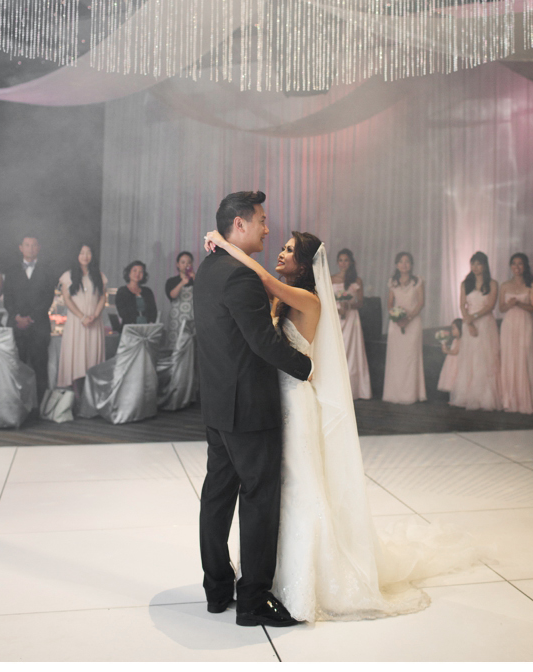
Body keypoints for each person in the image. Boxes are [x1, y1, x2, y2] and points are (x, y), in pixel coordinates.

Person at [205, 222, 465, 622]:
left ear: (307, 265)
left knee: (298, 487)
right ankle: (268, 577)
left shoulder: (308, 300)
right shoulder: (283, 297)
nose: (281, 253)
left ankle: (308, 577)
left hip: (294, 400)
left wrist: (223, 243)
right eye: (283, 248)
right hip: (271, 399)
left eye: (290, 251)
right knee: (276, 491)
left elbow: (258, 277)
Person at [191, 191, 312, 629]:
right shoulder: (239, 277)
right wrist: (307, 365)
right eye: (261, 220)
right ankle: (254, 600)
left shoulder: (209, 268)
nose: (267, 227)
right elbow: (263, 342)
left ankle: (217, 589)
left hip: (218, 405)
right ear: (238, 226)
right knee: (259, 497)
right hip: (249, 408)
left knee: (218, 496)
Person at [1, 235, 59, 389]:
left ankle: (41, 408)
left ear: (39, 248)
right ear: (21, 248)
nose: (30, 248)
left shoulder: (47, 270)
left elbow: (48, 298)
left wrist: (31, 318)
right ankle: (18, 407)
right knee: (16, 368)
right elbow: (8, 299)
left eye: (34, 245)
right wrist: (17, 318)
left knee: (40, 368)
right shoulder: (11, 271)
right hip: (16, 326)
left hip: (39, 327)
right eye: (27, 245)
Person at [494, 252, 533, 415]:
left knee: (525, 358)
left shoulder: (531, 285)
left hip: (525, 323)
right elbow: (501, 308)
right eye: (514, 264)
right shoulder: (504, 285)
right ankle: (509, 400)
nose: (517, 267)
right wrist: (510, 305)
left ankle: (526, 401)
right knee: (509, 358)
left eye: (520, 264)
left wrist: (519, 303)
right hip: (509, 324)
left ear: (525, 266)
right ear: (510, 266)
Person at [53, 244, 110, 388]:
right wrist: (82, 317)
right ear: (76, 255)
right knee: (76, 356)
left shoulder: (99, 275)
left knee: (92, 356)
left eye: (88, 253)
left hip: (94, 322)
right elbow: (67, 299)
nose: (85, 256)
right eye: (82, 253)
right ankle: (75, 395)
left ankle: (92, 394)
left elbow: (103, 297)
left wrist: (95, 315)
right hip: (76, 322)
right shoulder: (68, 276)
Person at [449, 252, 500, 411]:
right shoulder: (466, 284)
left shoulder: (492, 283)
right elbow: (462, 305)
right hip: (469, 324)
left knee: (485, 359)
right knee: (470, 359)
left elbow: (490, 306)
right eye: (473, 264)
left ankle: (484, 398)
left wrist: (474, 317)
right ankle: (467, 396)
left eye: (479, 264)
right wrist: (468, 322)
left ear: (485, 265)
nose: (475, 267)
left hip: (485, 323)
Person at [381, 252, 426, 404]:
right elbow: (389, 303)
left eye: (407, 262)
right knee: (396, 358)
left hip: (412, 323)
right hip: (396, 324)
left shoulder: (417, 281)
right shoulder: (392, 282)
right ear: (396, 265)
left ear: (411, 265)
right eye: (401, 261)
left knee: (410, 358)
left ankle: (410, 395)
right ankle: (394, 393)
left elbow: (421, 302)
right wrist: (395, 316)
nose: (404, 264)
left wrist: (408, 318)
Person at [161, 250, 199, 409]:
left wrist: (195, 279)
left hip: (192, 322)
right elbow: (172, 295)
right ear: (177, 264)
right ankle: (175, 394)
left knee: (193, 357)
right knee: (176, 356)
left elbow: (204, 295)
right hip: (177, 322)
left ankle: (191, 394)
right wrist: (183, 282)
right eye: (183, 262)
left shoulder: (196, 279)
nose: (186, 265)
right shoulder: (172, 281)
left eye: (189, 262)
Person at [331, 249, 371, 400]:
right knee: (337, 350)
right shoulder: (331, 278)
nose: (343, 263)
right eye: (340, 260)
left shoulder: (357, 280)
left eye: (346, 260)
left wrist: (349, 306)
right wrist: (338, 308)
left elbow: (360, 303)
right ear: (337, 262)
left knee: (352, 351)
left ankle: (353, 389)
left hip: (351, 318)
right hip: (337, 317)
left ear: (351, 262)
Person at [115, 260, 158, 326]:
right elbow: (122, 311)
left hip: (147, 325)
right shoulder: (122, 291)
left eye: (140, 272)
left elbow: (153, 311)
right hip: (129, 325)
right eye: (134, 271)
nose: (137, 274)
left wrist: (151, 323)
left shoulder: (148, 291)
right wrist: (132, 324)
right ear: (129, 273)